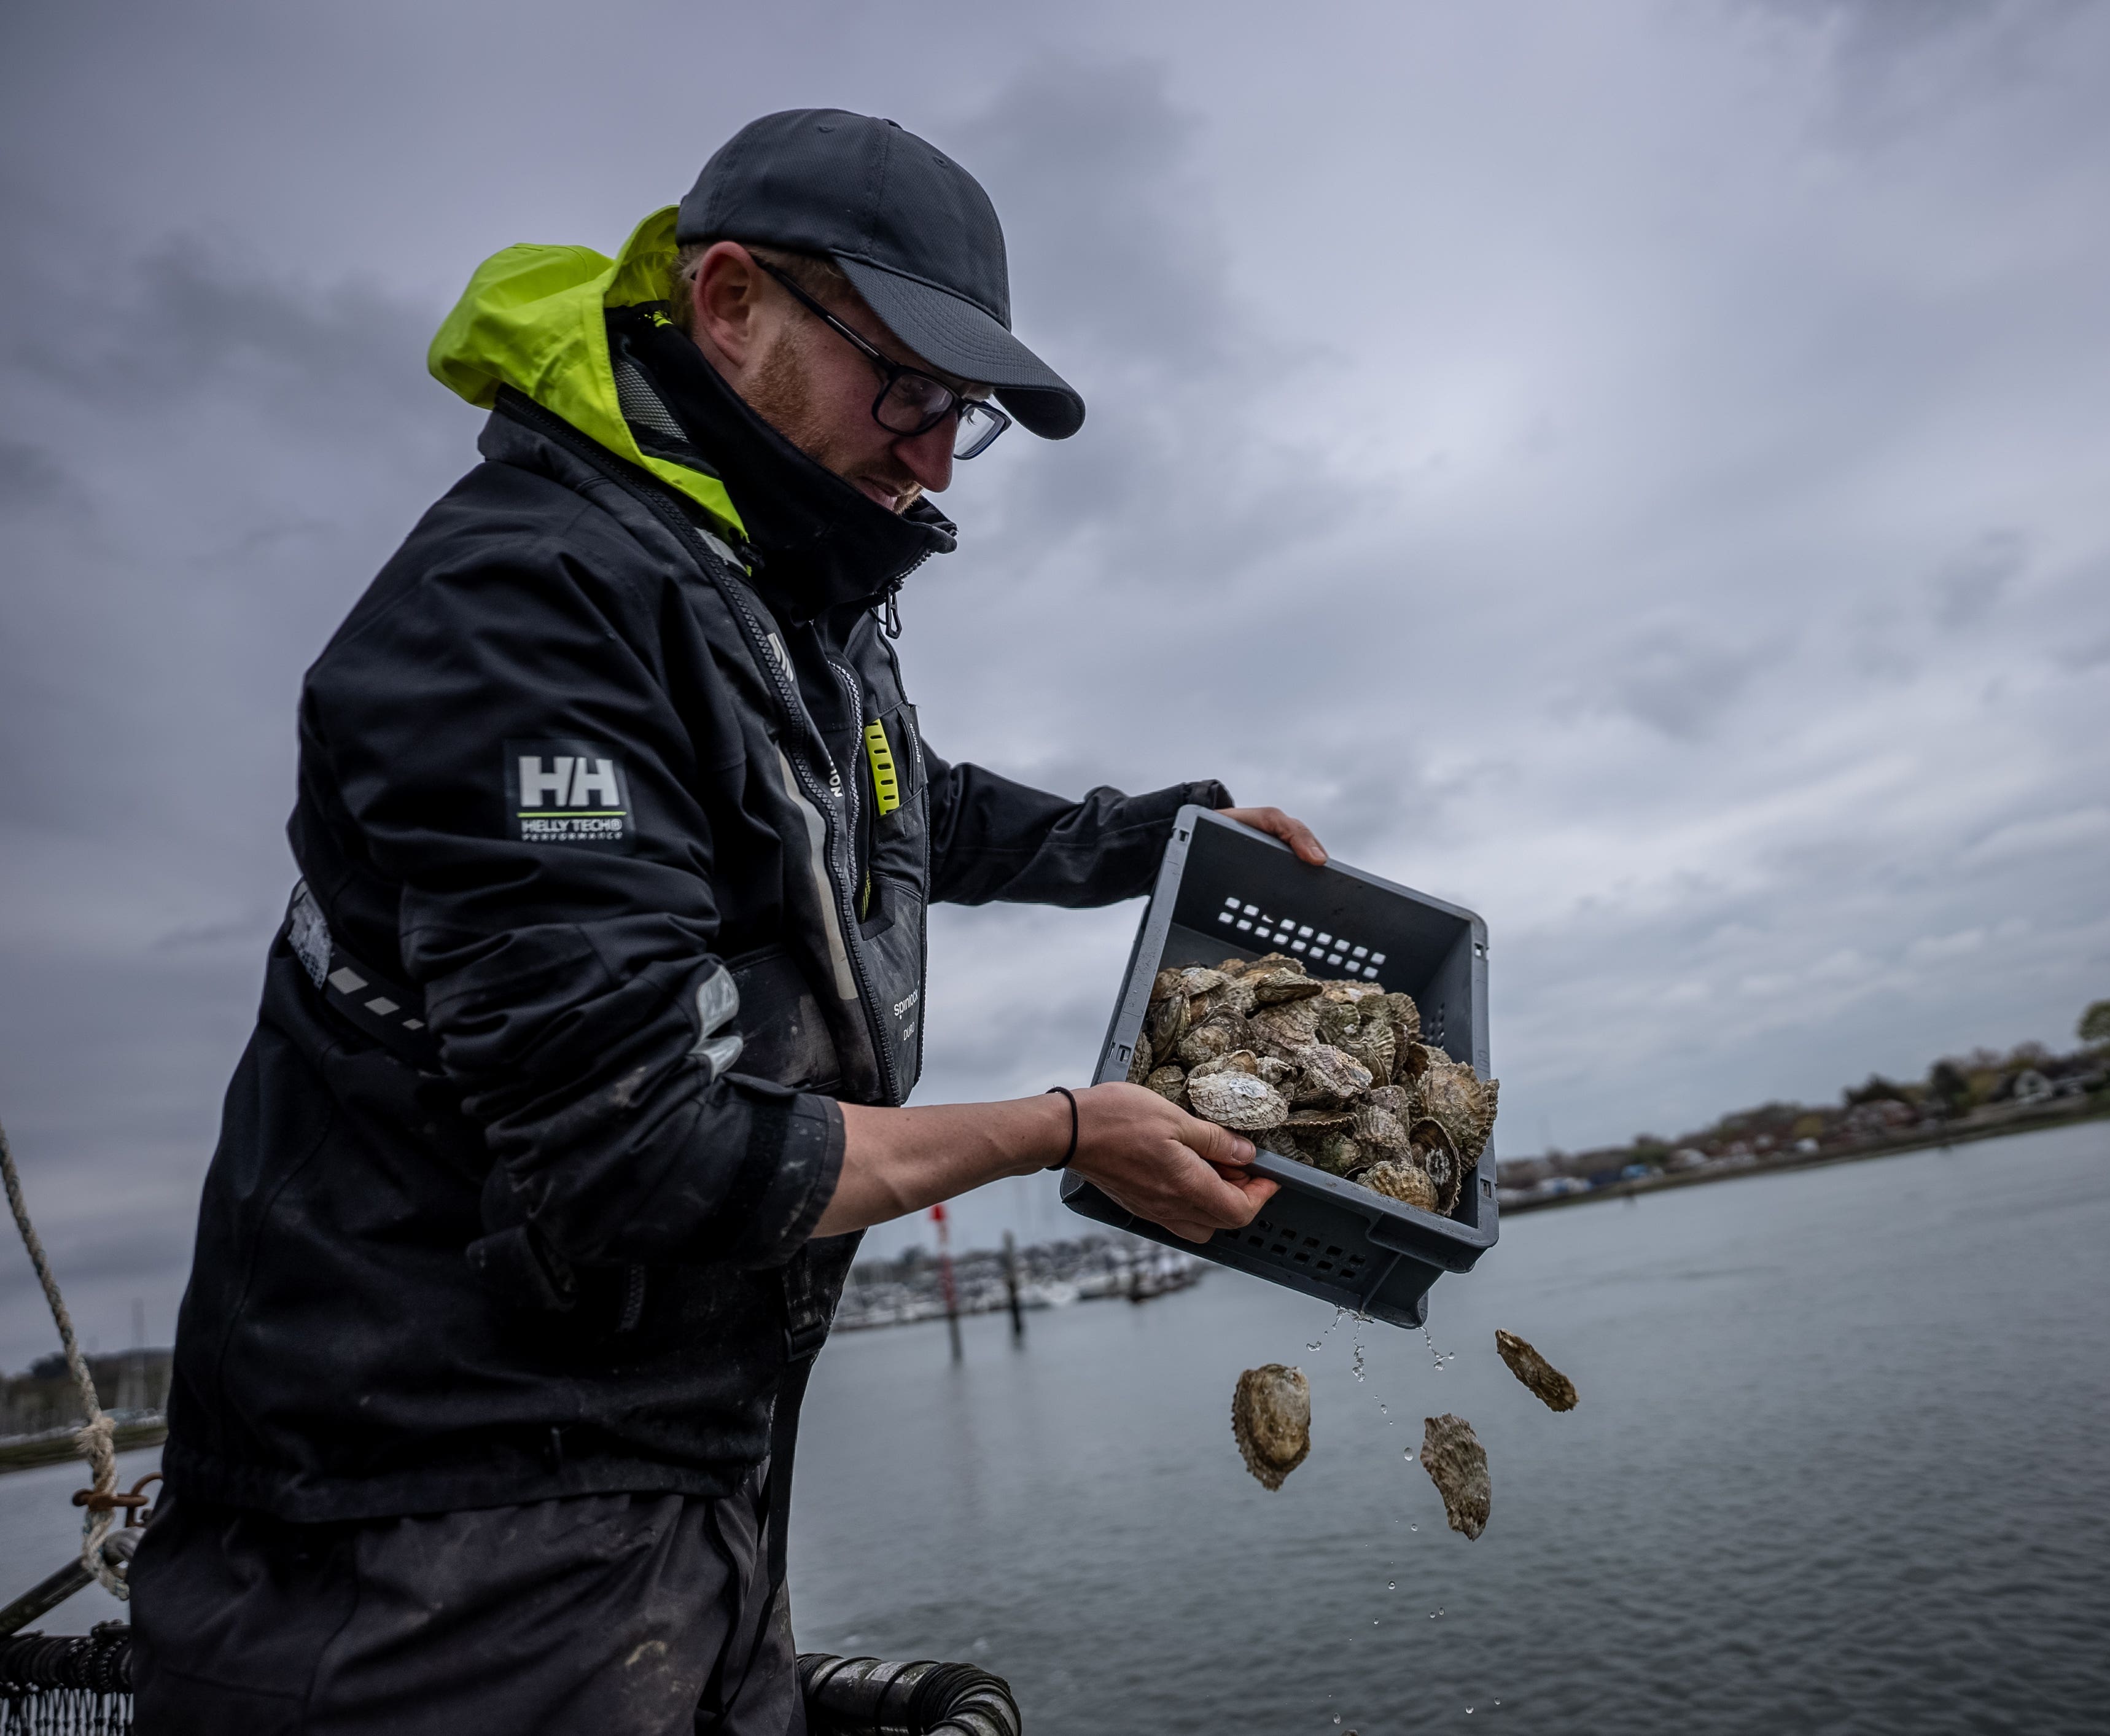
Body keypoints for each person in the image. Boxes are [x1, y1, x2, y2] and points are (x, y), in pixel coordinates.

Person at [131, 109, 1317, 1732]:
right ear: (730, 302)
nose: (931, 456)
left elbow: (907, 807)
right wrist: (1059, 1130)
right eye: (904, 386)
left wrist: (1159, 833)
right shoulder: (528, 619)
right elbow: (635, 1152)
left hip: (682, 1501)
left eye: (962, 414)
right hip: (422, 1559)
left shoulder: (787, 597)